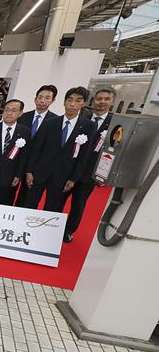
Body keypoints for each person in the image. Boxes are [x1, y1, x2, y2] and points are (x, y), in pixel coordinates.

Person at [24, 86, 97, 213]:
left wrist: (73, 178)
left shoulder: (88, 126)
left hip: (63, 175)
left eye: (78, 100)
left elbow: (84, 155)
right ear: (64, 102)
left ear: (84, 104)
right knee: (30, 204)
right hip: (40, 172)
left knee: (52, 208)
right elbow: (37, 148)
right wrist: (29, 171)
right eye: (70, 100)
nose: (72, 104)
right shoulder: (51, 122)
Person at [59, 88, 116, 242]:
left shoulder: (115, 124)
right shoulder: (81, 117)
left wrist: (103, 175)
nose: (102, 102)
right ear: (92, 101)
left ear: (112, 102)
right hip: (70, 169)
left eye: (106, 99)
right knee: (59, 199)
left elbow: (114, 151)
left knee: (78, 204)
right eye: (99, 99)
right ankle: (53, 226)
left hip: (89, 173)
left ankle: (69, 230)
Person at [14, 85, 59, 206]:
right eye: (40, 97)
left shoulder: (55, 121)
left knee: (28, 199)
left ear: (53, 101)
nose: (42, 101)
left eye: (47, 98)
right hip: (17, 163)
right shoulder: (22, 117)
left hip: (37, 167)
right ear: (35, 99)